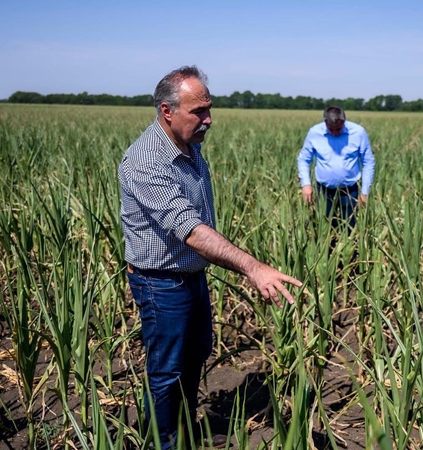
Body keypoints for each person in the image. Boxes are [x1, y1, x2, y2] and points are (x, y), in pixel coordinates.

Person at [118, 65, 302, 449]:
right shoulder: (146, 161)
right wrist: (253, 267)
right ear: (167, 111)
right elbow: (192, 231)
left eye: (209, 109)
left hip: (191, 278)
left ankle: (181, 429)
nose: (208, 120)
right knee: (167, 372)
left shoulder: (190, 146)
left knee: (196, 353)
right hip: (160, 283)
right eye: (198, 112)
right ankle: (162, 442)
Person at [297, 106, 375, 243]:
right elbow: (303, 159)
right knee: (325, 229)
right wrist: (306, 185)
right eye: (330, 130)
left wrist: (365, 192)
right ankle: (327, 259)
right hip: (324, 190)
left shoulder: (358, 132)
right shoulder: (314, 133)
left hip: (350, 190)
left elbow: (368, 161)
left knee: (350, 229)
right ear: (325, 122)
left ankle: (351, 261)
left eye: (338, 129)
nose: (334, 133)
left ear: (344, 121)